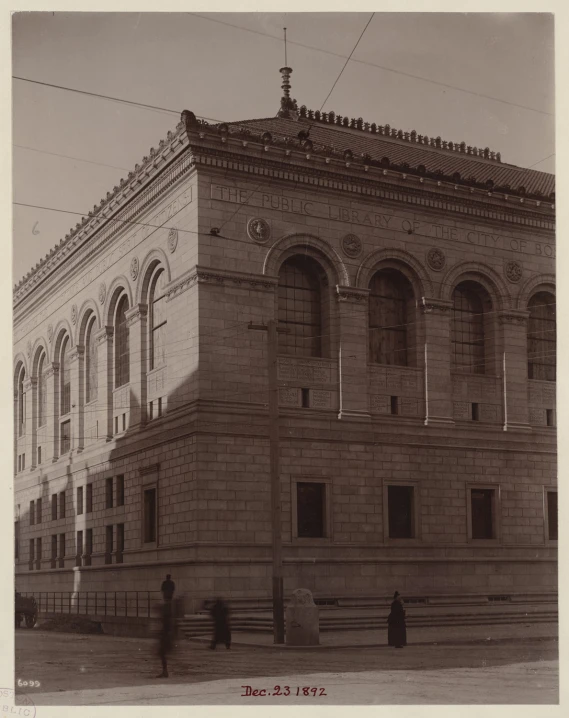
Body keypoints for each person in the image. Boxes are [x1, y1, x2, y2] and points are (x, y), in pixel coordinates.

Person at [157, 599, 176, 678]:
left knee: (162, 653)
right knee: (162, 653)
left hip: (166, 635)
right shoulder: (167, 614)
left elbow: (167, 625)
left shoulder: (166, 615)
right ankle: (165, 671)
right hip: (166, 634)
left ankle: (165, 671)